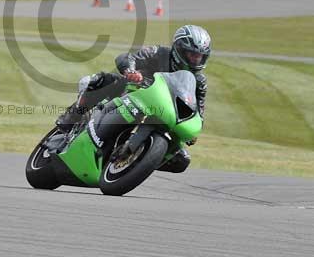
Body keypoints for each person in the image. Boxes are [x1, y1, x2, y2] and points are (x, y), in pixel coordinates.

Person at [56, 24, 211, 173]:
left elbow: (198, 112)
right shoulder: (159, 52)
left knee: (181, 161)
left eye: (199, 57)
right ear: (179, 49)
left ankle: (140, 160)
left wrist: (193, 131)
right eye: (192, 55)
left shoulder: (199, 82)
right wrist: (130, 70)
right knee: (100, 81)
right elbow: (129, 57)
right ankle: (72, 116)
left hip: (163, 113)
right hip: (134, 92)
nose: (195, 60)